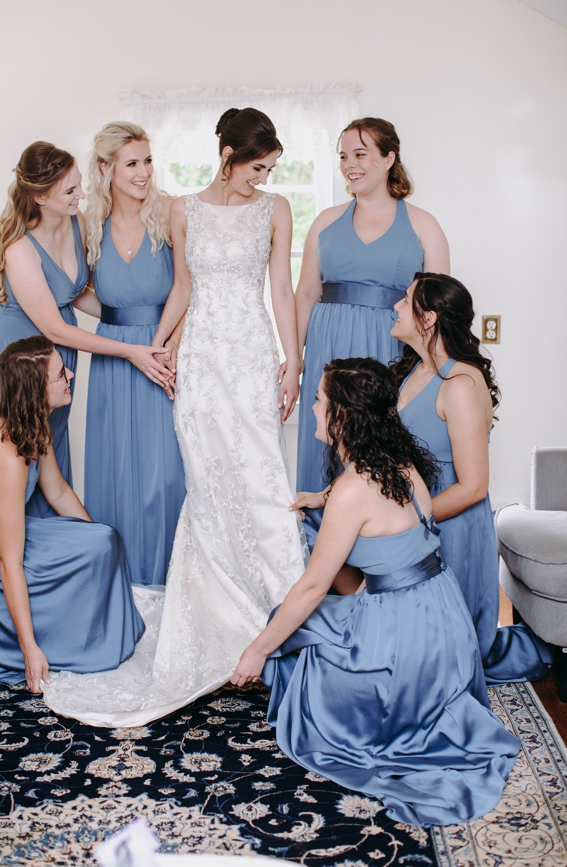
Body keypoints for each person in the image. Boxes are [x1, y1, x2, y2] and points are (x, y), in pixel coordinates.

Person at [42, 108, 305, 727]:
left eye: (269, 169)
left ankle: (277, 619)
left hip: (251, 357)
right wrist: (159, 348)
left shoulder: (276, 209)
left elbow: (281, 290)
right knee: (207, 486)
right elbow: (183, 288)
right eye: (254, 167)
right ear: (227, 156)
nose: (260, 178)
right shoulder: (183, 210)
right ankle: (214, 622)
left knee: (262, 479)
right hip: (200, 361)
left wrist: (292, 362)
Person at [232, 359, 519, 828]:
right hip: (445, 620)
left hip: (405, 644)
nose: (314, 409)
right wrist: (322, 500)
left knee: (291, 633)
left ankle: (344, 711)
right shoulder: (402, 465)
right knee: (319, 614)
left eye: (320, 400)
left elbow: (309, 588)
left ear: (343, 415)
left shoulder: (352, 490)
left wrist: (255, 652)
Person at [0, 141, 172, 515]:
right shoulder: (20, 249)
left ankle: (50, 544)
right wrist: (129, 350)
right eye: (70, 190)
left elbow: (74, 294)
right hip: (12, 349)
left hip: (51, 353)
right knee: (10, 449)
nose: (82, 195)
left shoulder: (76, 224)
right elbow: (54, 327)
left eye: (79, 185)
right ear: (40, 197)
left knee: (46, 445)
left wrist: (135, 319)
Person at [0, 335, 144, 693]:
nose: (71, 376)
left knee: (105, 540)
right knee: (94, 549)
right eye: (61, 375)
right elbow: (8, 561)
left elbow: (58, 491)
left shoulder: (29, 417)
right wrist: (30, 650)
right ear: (35, 390)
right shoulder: (8, 456)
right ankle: (51, 639)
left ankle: (89, 624)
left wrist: (96, 544)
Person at [390, 273, 550, 689]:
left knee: (431, 659)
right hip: (418, 513)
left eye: (405, 302)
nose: (394, 307)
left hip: (451, 525)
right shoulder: (417, 371)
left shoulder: (459, 383)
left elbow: (474, 486)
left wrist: (410, 518)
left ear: (428, 319)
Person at [293, 118, 449, 495]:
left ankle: (384, 542)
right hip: (326, 350)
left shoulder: (423, 225)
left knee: (382, 452)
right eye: (343, 156)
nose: (349, 164)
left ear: (389, 157)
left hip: (391, 352)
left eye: (360, 154)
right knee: (324, 444)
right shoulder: (325, 222)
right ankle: (321, 544)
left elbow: (439, 309)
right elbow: (305, 294)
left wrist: (438, 372)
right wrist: (294, 360)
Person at [78, 121, 186, 586]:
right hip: (114, 356)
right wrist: (119, 327)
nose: (143, 172)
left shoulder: (170, 211)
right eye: (132, 164)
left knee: (165, 476)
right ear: (106, 169)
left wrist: (162, 346)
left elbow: (188, 286)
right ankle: (118, 584)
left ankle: (167, 582)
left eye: (147, 161)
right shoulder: (87, 224)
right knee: (114, 471)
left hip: (163, 355)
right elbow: (78, 292)